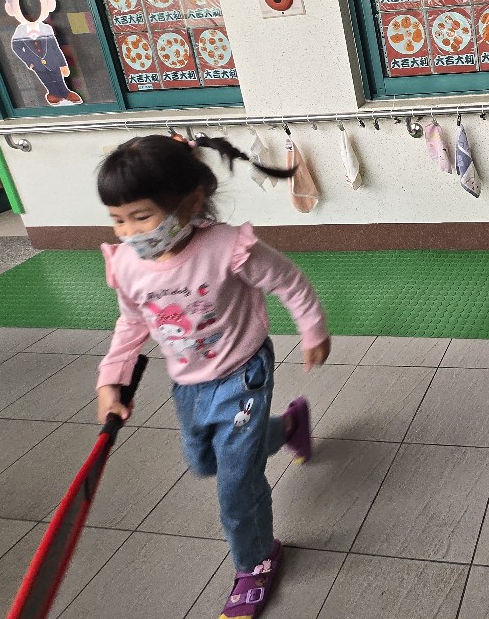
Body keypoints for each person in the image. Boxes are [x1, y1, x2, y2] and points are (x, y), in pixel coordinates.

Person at [94, 134, 330, 619]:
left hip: (243, 375)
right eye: (117, 219)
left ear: (191, 201)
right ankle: (288, 426)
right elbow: (132, 323)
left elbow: (288, 280)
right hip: (188, 382)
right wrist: (111, 378)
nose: (130, 232)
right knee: (205, 462)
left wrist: (312, 328)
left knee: (236, 483)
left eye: (141, 216)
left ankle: (256, 562)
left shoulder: (227, 248)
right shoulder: (128, 265)